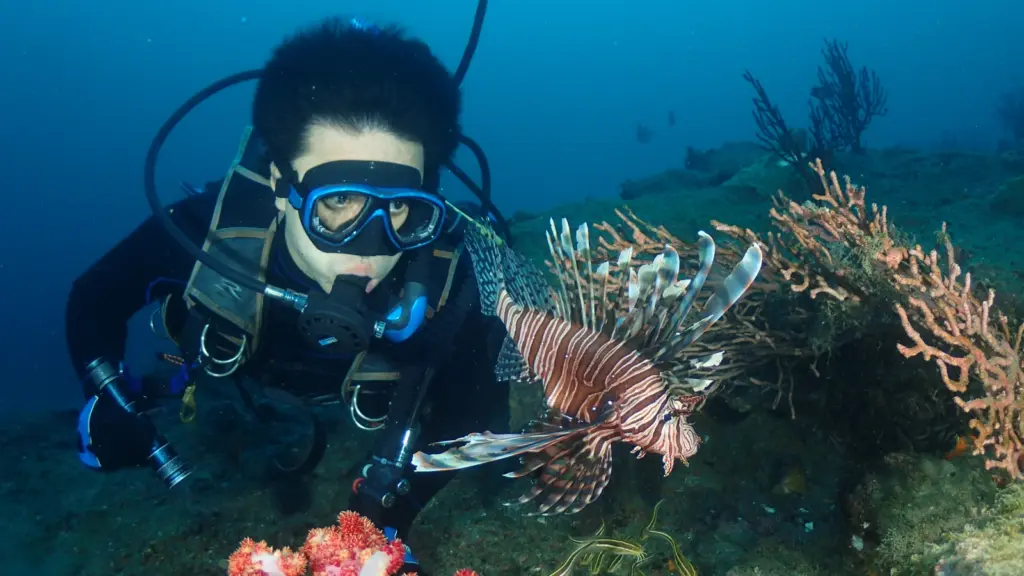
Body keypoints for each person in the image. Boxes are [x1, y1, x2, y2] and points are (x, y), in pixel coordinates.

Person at [67, 17, 509, 572]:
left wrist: (387, 517)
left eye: (399, 207)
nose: (369, 251)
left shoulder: (451, 283)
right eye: (337, 203)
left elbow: (476, 410)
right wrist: (104, 394)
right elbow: (93, 297)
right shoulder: (211, 235)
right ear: (280, 187)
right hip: (237, 382)